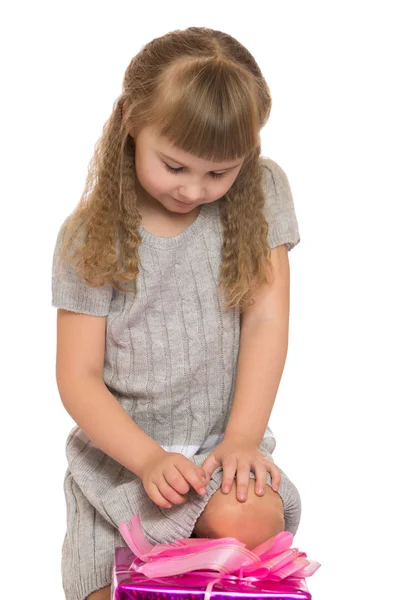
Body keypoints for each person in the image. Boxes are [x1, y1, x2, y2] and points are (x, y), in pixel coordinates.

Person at [52, 26, 302, 600]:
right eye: (175, 166)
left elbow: (266, 319)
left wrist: (240, 439)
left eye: (219, 173)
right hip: (123, 460)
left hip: (221, 446)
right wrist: (146, 459)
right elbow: (77, 376)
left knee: (248, 516)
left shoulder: (262, 192)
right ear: (132, 122)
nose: (193, 189)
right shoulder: (90, 236)